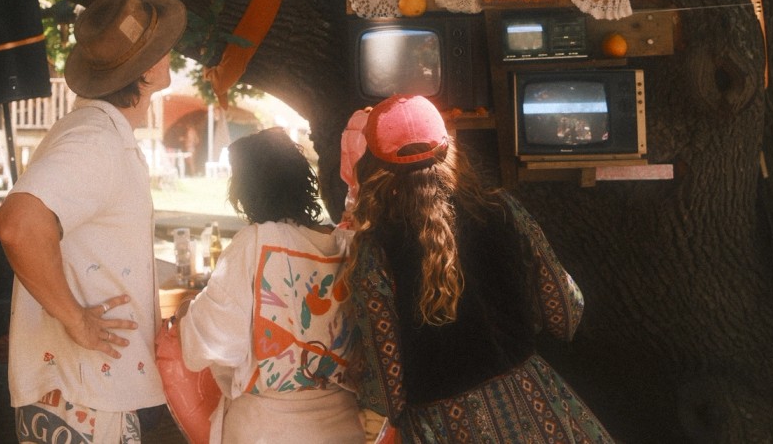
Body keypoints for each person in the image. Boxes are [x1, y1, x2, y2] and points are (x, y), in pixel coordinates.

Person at [344, 94, 614, 442]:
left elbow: (385, 389)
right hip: (536, 405)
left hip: (445, 427)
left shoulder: (374, 251)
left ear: (374, 169)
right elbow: (564, 312)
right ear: (450, 149)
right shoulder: (503, 209)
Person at [0, 0, 187, 444]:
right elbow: (18, 224)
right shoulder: (95, 140)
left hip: (88, 390)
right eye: (161, 46)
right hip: (83, 394)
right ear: (148, 68)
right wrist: (76, 318)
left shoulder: (100, 133)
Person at [178, 127, 363, 443]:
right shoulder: (346, 243)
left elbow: (212, 340)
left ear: (243, 191)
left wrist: (188, 313)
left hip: (265, 429)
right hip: (342, 427)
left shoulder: (253, 242)